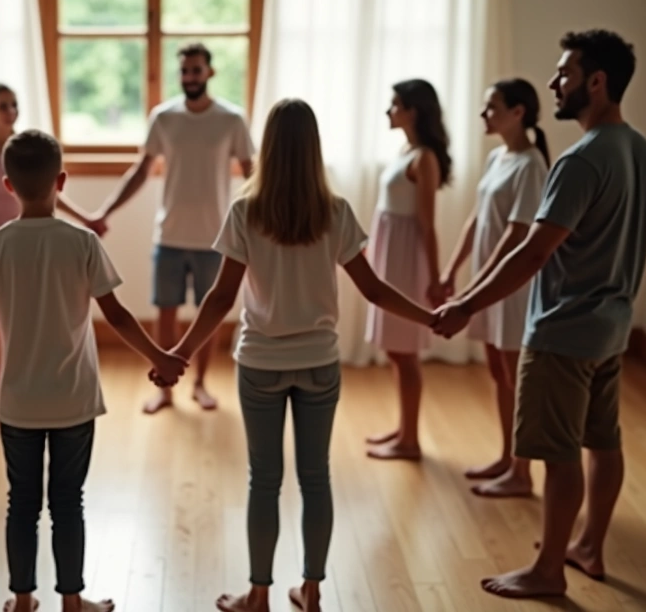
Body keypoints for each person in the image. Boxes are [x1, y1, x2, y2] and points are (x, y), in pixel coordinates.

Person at [150, 99, 436, 612]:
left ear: (269, 148)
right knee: (315, 477)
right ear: (313, 150)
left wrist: (178, 353)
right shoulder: (335, 212)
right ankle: (312, 590)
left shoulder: (246, 211)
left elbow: (218, 298)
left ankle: (258, 595)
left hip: (260, 362)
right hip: (319, 362)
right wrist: (431, 316)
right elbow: (373, 290)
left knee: (264, 479)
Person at [434, 29, 646, 599]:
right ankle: (589, 545)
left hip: (564, 330)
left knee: (558, 455)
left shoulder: (581, 161)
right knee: (603, 443)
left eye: (564, 73)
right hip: (613, 328)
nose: (554, 83)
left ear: (597, 81)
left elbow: (534, 251)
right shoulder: (642, 153)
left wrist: (466, 304)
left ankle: (548, 570)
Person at [0, 130, 188, 612]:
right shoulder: (81, 241)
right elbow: (116, 315)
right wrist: (159, 357)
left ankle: (24, 601)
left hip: (19, 402)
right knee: (68, 502)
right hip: (73, 399)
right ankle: (72, 602)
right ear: (62, 181)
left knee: (22, 504)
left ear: (6, 186)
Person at [91, 42, 255, 415]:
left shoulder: (232, 119)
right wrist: (105, 211)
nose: (189, 77)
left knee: (206, 313)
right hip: (169, 235)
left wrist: (265, 218)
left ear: (209, 73)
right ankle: (165, 387)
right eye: (184, 71)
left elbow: (250, 173)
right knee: (166, 311)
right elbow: (141, 171)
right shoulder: (164, 117)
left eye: (196, 70)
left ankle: (199, 384)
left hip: (215, 237)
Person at [0, 83, 106, 425]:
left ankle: (38, 388)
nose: (11, 111)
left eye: (14, 104)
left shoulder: (28, 149)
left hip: (36, 233)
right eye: (3, 105)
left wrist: (86, 219)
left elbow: (50, 191)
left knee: (32, 315)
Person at [439, 78, 550, 497]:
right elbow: (477, 219)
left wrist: (481, 282)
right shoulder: (496, 157)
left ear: (518, 112)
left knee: (514, 375)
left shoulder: (532, 165)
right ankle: (507, 457)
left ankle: (522, 471)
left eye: (492, 107)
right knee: (498, 372)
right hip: (485, 281)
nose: (484, 114)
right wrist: (454, 271)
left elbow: (518, 233)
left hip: (509, 286)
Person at [364, 78, 452, 461]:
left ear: (413, 110)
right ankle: (404, 428)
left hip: (405, 260)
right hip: (390, 253)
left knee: (405, 352)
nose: (389, 110)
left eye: (394, 103)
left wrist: (435, 279)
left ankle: (411, 439)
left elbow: (426, 223)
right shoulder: (406, 150)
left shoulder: (424, 159)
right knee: (395, 351)